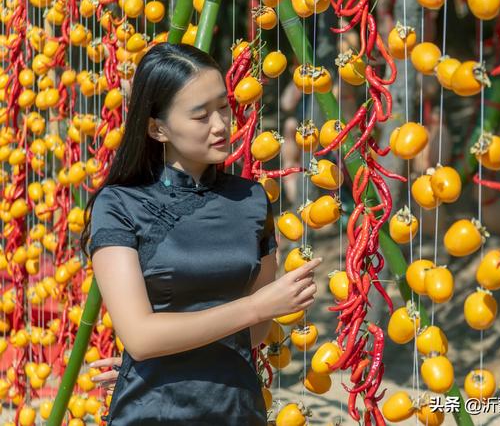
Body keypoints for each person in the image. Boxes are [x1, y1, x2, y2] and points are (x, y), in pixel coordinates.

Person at [80, 42, 321, 425]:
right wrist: (258, 306)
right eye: (200, 116)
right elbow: (141, 338)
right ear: (157, 128)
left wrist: (275, 304)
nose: (220, 125)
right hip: (152, 412)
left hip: (237, 410)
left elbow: (253, 334)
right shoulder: (119, 205)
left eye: (223, 106)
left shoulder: (251, 200)